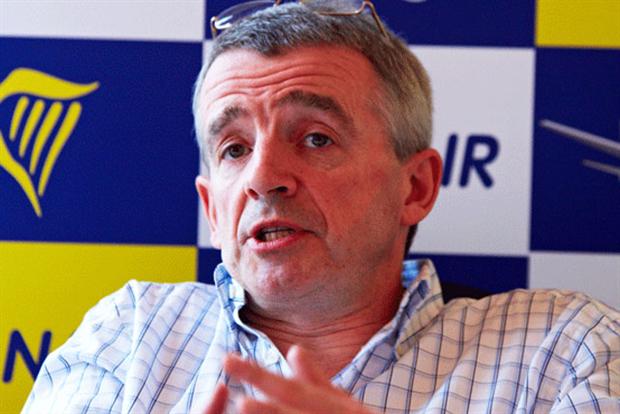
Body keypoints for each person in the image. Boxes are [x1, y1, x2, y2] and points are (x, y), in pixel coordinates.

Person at [24, 2, 619, 413]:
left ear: (415, 187)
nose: (263, 178)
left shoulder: (563, 348)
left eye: (315, 138)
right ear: (211, 208)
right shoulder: (131, 334)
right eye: (234, 149)